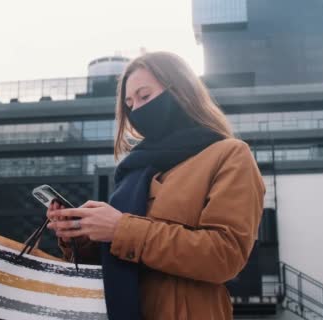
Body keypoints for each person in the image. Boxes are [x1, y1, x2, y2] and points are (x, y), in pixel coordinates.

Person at [47, 51, 265, 320]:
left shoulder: (229, 155)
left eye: (145, 96)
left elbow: (225, 256)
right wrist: (82, 239)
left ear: (180, 90)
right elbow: (119, 262)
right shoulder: (135, 169)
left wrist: (120, 229)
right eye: (129, 103)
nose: (136, 109)